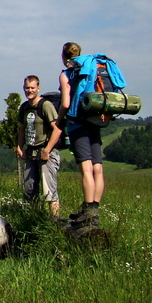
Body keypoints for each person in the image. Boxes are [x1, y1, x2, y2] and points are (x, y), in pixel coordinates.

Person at [57, 42, 104, 227]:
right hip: (94, 120)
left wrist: (59, 119)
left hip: (77, 123)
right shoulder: (92, 67)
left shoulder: (67, 74)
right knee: (98, 167)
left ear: (64, 56)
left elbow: (66, 103)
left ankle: (88, 209)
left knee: (86, 168)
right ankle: (95, 208)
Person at [16, 75, 62, 216]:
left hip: (45, 152)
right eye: (27, 88)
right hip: (31, 152)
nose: (29, 90)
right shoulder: (24, 107)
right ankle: (32, 219)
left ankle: (54, 222)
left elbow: (57, 129)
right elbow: (22, 128)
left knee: (49, 191)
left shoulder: (45, 105)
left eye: (32, 88)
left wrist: (47, 150)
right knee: (29, 190)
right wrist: (19, 146)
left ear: (38, 88)